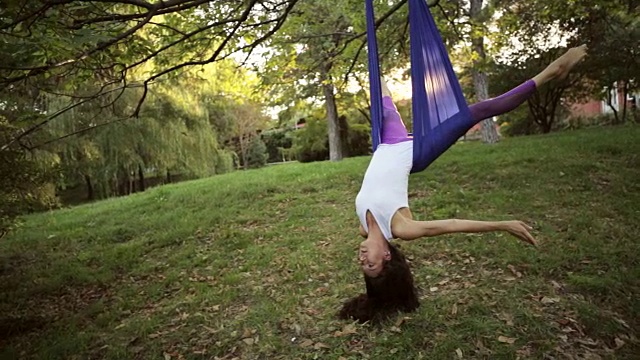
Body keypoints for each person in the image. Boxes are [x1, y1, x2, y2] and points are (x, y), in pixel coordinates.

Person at [339, 45, 588, 324]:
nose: (363, 260)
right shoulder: (401, 227)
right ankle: (552, 71)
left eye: (363, 265)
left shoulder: (363, 225)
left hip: (389, 143)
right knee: (478, 110)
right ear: (386, 256)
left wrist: (372, 61)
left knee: (383, 99)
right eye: (371, 264)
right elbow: (452, 224)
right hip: (417, 151)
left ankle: (375, 59)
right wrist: (502, 225)